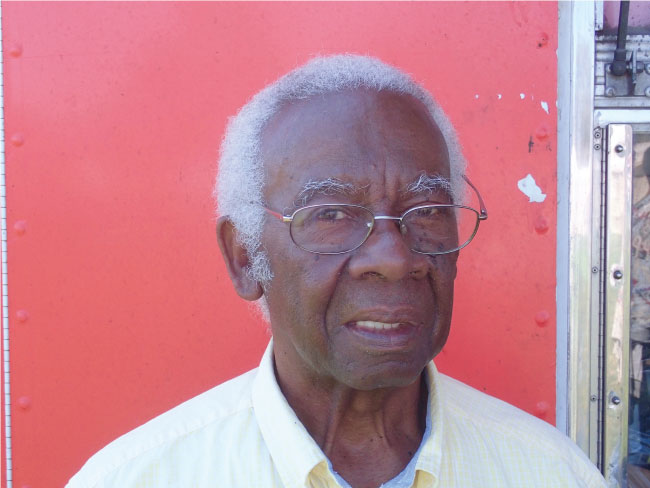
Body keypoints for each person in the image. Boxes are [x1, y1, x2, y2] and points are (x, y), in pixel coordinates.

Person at [67, 55, 606, 488]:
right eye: (331, 214)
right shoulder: (140, 477)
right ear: (245, 257)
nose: (394, 259)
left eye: (428, 211)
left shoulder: (551, 473)